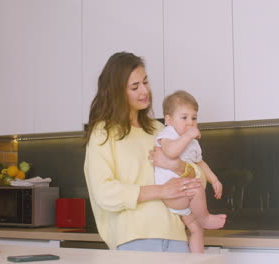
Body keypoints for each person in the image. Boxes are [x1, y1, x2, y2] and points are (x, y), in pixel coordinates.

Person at [83, 52, 204, 253]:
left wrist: (177, 166)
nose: (144, 91)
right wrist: (161, 190)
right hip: (135, 240)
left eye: (145, 82)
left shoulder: (161, 130)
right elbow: (103, 192)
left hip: (176, 238)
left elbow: (200, 177)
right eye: (135, 87)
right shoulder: (103, 133)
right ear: (116, 92)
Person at [154, 90, 226, 253]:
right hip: (172, 194)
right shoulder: (168, 134)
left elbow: (200, 163)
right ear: (169, 120)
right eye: (184, 117)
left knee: (197, 230)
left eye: (194, 118)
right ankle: (206, 217)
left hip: (185, 198)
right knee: (196, 186)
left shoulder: (193, 143)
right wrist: (187, 136)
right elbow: (170, 152)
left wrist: (213, 179)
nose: (190, 123)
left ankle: (196, 259)